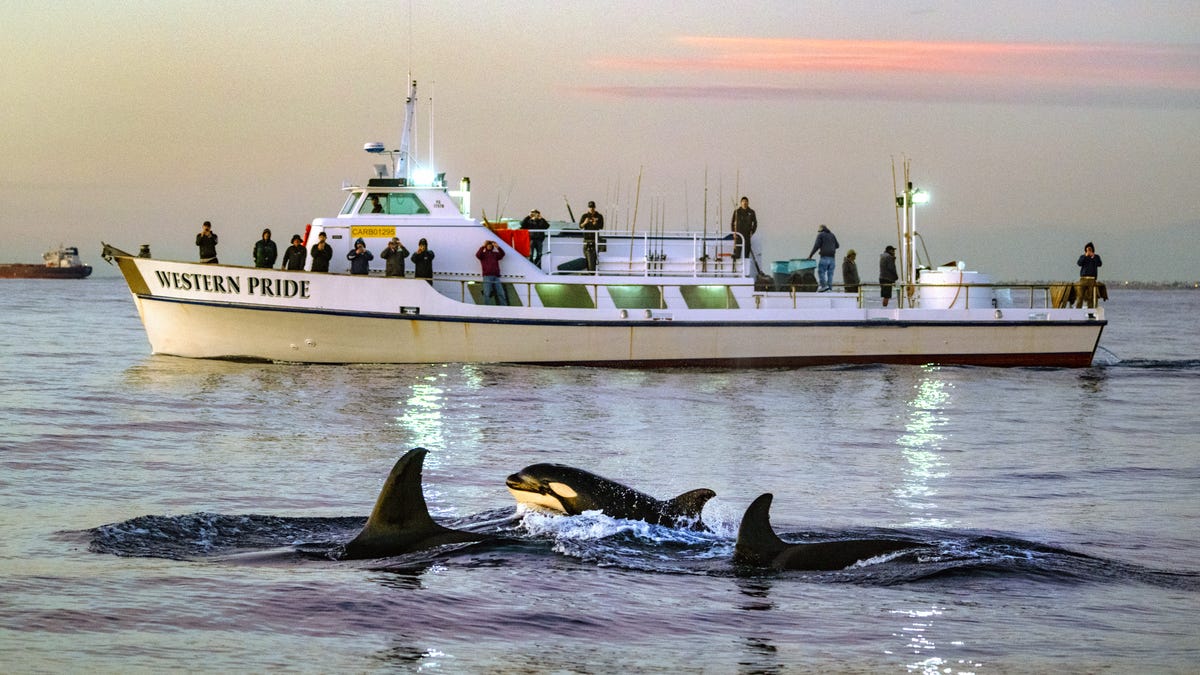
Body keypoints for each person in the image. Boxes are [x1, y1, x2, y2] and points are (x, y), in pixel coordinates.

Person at [807, 224, 840, 291]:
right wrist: (830, 246)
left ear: (821, 230)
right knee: (830, 274)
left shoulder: (821, 235)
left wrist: (810, 255)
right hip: (832, 259)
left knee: (821, 272)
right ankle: (830, 289)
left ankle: (824, 287)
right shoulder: (832, 235)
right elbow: (837, 245)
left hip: (824, 257)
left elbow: (816, 246)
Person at [476, 240, 508, 305]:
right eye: (488, 245)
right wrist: (483, 246)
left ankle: (504, 306)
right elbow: (478, 255)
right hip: (487, 276)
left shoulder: (495, 254)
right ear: (486, 246)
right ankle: (487, 307)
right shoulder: (483, 255)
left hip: (496, 276)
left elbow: (502, 254)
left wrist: (498, 247)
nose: (490, 246)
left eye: (491, 246)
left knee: (500, 292)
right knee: (487, 293)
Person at [730, 196, 757, 266]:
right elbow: (732, 223)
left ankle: (746, 270)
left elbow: (755, 223)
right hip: (738, 235)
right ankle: (736, 269)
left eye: (746, 202)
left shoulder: (751, 212)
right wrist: (733, 232)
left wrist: (752, 232)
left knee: (746, 253)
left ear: (748, 203)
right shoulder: (737, 212)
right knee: (737, 253)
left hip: (747, 235)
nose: (744, 203)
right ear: (741, 203)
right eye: (743, 202)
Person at [1075, 242, 1103, 308]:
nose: (1089, 251)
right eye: (1087, 249)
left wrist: (1093, 256)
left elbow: (1100, 264)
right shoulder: (1083, 256)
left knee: (1091, 297)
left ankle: (1090, 313)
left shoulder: (1096, 257)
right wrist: (1085, 256)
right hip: (1083, 279)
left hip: (1092, 279)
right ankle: (1077, 311)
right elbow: (1079, 263)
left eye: (1090, 249)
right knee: (1080, 296)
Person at [579, 201, 604, 272]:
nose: (591, 209)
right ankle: (589, 270)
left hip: (595, 239)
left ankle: (593, 271)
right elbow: (580, 226)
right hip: (587, 239)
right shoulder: (584, 216)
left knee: (594, 256)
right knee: (587, 256)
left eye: (592, 207)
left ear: (595, 207)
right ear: (588, 208)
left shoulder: (599, 216)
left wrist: (595, 223)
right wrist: (585, 222)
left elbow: (601, 226)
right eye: (590, 207)